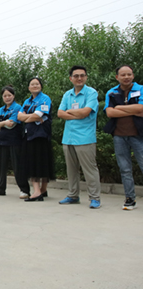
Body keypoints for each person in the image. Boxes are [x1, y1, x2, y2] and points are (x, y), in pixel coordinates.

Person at [57, 66, 101, 209]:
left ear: (86, 77)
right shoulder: (67, 94)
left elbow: (85, 112)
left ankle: (94, 198)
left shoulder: (91, 93)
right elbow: (60, 113)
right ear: (71, 78)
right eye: (76, 76)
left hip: (85, 138)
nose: (79, 78)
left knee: (90, 170)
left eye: (82, 75)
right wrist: (77, 113)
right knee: (71, 170)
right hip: (68, 137)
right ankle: (73, 195)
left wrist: (70, 112)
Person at [103, 65, 143, 210]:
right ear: (117, 77)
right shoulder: (112, 92)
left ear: (133, 75)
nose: (126, 77)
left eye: (129, 74)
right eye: (123, 75)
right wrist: (133, 110)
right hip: (119, 136)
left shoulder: (141, 89)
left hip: (139, 135)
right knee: (125, 169)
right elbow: (110, 113)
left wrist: (119, 108)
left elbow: (141, 109)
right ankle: (130, 199)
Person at [18, 77, 55, 201]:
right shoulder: (27, 101)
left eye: (37, 84)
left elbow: (38, 115)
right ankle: (38, 190)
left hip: (41, 135)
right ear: (29, 87)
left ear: (41, 86)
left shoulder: (45, 99)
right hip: (29, 135)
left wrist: (27, 117)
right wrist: (31, 117)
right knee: (32, 162)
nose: (35, 86)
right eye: (32, 84)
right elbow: (19, 116)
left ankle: (41, 191)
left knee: (42, 162)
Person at [0, 86, 30, 198]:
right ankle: (1, 188)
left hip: (15, 141)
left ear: (13, 96)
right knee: (2, 166)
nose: (7, 98)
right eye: (5, 96)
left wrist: (1, 124)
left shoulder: (18, 108)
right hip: (2, 141)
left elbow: (11, 125)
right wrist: (4, 123)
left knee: (17, 166)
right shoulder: (0, 110)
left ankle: (24, 190)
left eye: (9, 95)